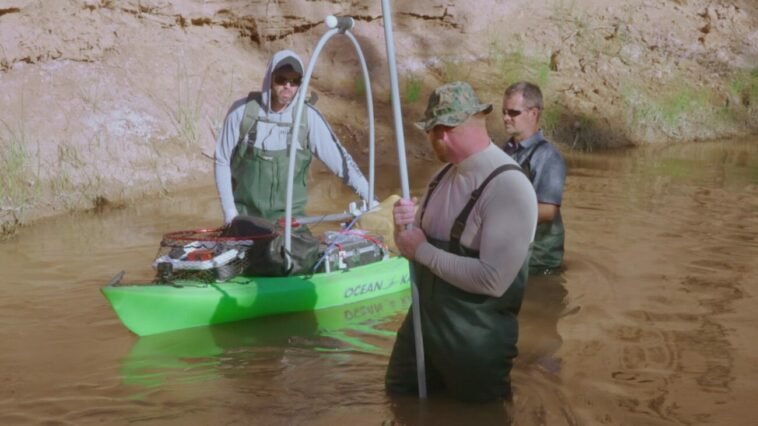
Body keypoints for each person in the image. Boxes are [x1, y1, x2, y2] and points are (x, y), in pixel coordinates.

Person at [385, 81, 538, 401]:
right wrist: (404, 230)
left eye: (430, 132)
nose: (430, 141)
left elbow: (493, 279)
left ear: (441, 132)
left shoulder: (509, 188)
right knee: (398, 401)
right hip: (421, 334)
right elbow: (411, 250)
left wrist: (423, 250)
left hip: (474, 348)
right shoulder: (441, 177)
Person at [214, 49, 372, 224]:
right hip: (247, 221)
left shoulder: (308, 118)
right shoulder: (242, 112)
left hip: (291, 224)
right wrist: (230, 214)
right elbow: (222, 160)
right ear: (270, 78)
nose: (288, 86)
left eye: (294, 80)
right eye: (281, 79)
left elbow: (342, 163)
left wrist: (371, 198)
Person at [501, 81, 567, 274]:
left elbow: (548, 211)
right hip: (511, 251)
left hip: (538, 259)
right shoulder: (505, 151)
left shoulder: (549, 157)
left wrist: (497, 218)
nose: (506, 118)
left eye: (513, 113)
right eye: (503, 112)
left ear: (533, 113)